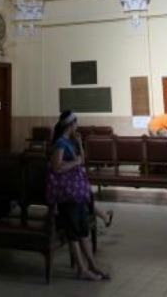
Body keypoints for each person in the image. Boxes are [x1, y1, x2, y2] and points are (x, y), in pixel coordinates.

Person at [48, 111, 110, 281]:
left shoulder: (69, 141)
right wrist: (74, 162)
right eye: (76, 122)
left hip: (77, 193)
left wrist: (79, 143)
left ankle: (92, 266)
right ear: (71, 124)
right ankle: (82, 269)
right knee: (74, 233)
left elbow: (82, 160)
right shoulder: (60, 143)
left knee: (83, 231)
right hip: (68, 195)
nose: (77, 125)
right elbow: (56, 167)